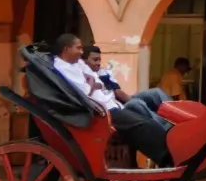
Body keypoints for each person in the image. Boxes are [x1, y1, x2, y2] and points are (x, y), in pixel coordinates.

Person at [50, 35, 174, 164]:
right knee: (145, 124)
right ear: (66, 49)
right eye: (79, 48)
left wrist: (95, 83)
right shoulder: (63, 68)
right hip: (102, 112)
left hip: (110, 104)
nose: (81, 52)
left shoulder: (78, 63)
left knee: (150, 108)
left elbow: (98, 83)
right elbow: (87, 91)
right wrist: (95, 84)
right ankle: (167, 156)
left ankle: (172, 129)